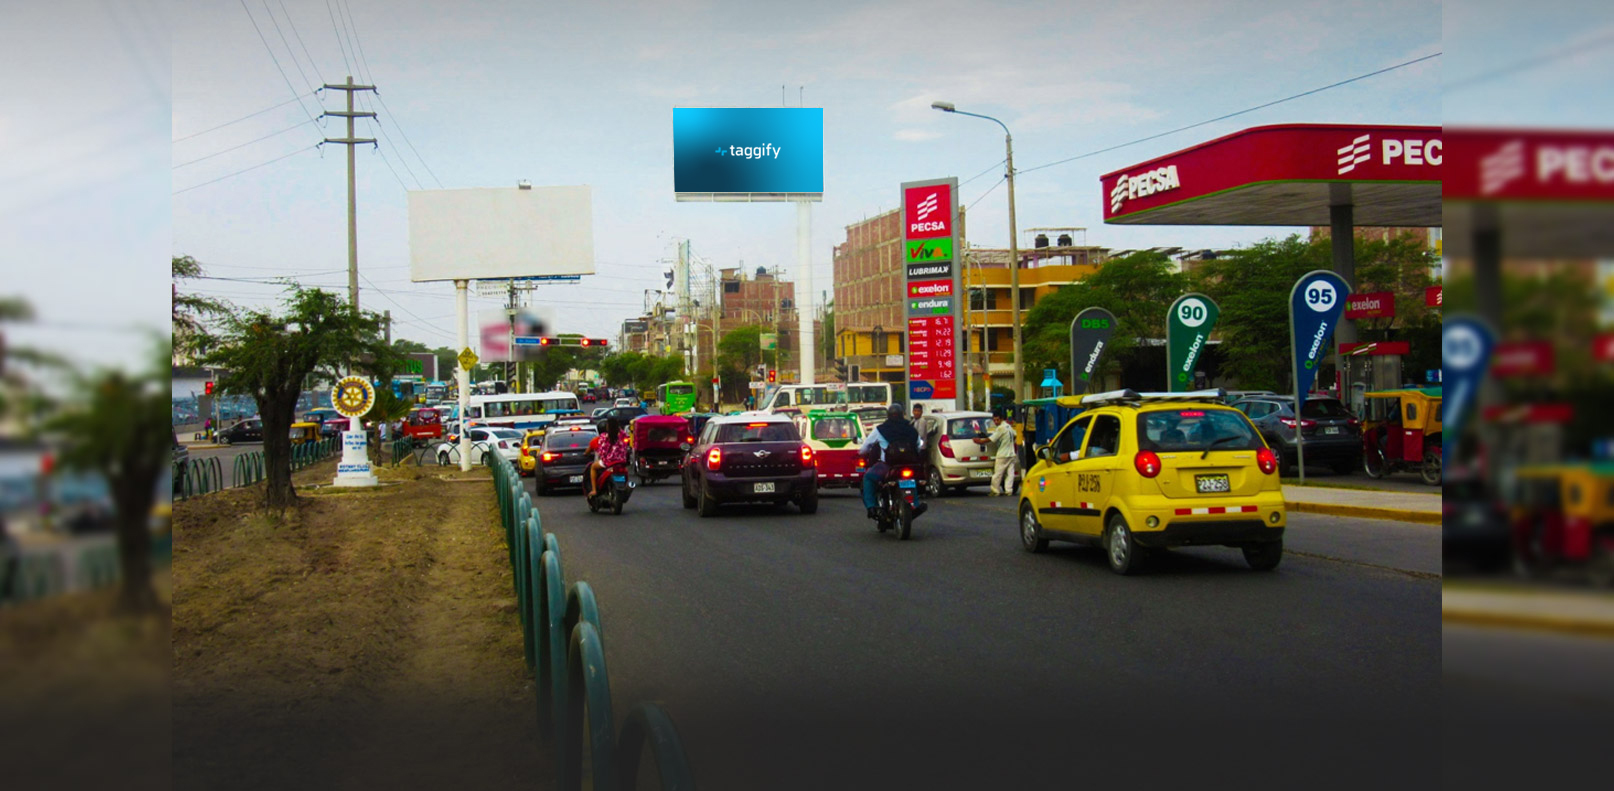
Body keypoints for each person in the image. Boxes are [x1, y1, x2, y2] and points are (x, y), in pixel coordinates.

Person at [859, 403, 927, 521]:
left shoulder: (880, 430)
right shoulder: (911, 429)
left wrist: (861, 453)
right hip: (910, 465)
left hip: (888, 467)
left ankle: (872, 507)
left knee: (868, 478)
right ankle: (914, 504)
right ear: (902, 414)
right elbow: (919, 446)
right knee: (912, 481)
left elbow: (865, 447)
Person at [586, 417, 630, 499]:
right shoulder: (623, 435)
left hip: (608, 462)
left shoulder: (603, 437)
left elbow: (601, 450)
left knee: (593, 467)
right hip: (621, 461)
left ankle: (594, 490)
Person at [988, 411, 1020, 496]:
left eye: (997, 420)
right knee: (1010, 473)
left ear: (1001, 419)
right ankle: (1008, 490)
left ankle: (995, 490)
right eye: (994, 420)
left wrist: (980, 441)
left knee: (998, 473)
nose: (996, 422)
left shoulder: (1000, 428)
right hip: (1011, 453)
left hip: (1002, 454)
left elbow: (991, 439)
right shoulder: (1009, 426)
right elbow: (1015, 435)